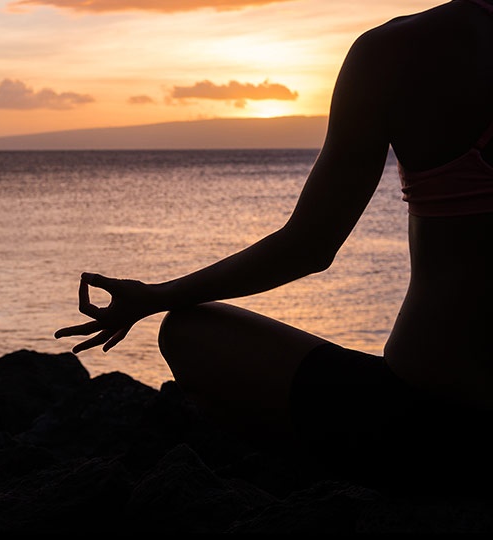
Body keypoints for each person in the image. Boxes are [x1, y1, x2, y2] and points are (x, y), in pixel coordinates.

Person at [55, 0, 493, 492]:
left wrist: (156, 297)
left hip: (430, 423)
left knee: (189, 332)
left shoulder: (398, 50)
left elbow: (308, 246)